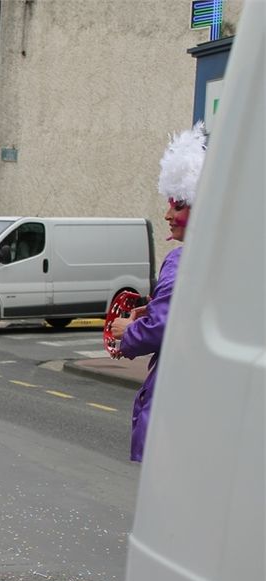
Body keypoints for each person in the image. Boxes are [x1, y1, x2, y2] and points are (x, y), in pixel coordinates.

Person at [110, 122, 206, 463]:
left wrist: (127, 332)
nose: (167, 215)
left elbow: (163, 327)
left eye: (178, 205)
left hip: (178, 398)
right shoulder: (221, 256)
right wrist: (151, 309)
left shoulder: (184, 258)